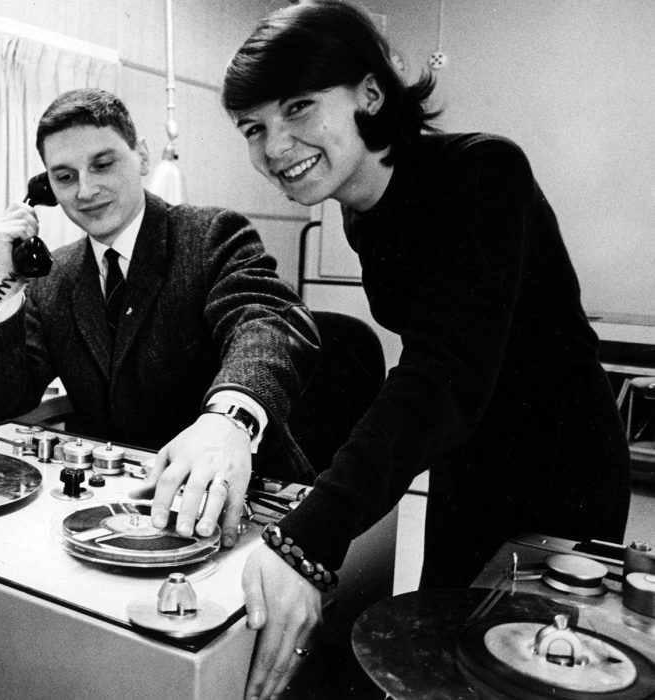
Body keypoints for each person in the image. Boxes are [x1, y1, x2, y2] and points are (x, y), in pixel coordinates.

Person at [219, 1, 632, 698]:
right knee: (449, 657)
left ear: (370, 93)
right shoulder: (358, 211)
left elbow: (443, 372)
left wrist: (305, 537)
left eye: (298, 107)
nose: (275, 146)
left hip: (561, 464)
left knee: (534, 671)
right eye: (253, 128)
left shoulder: (484, 170)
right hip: (466, 457)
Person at [0, 88, 321, 547]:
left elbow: (265, 321)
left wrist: (230, 418)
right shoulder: (53, 277)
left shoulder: (210, 235)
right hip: (119, 509)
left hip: (241, 500)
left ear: (141, 157)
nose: (85, 190)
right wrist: (9, 282)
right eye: (64, 176)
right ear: (46, 188)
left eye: (102, 164)